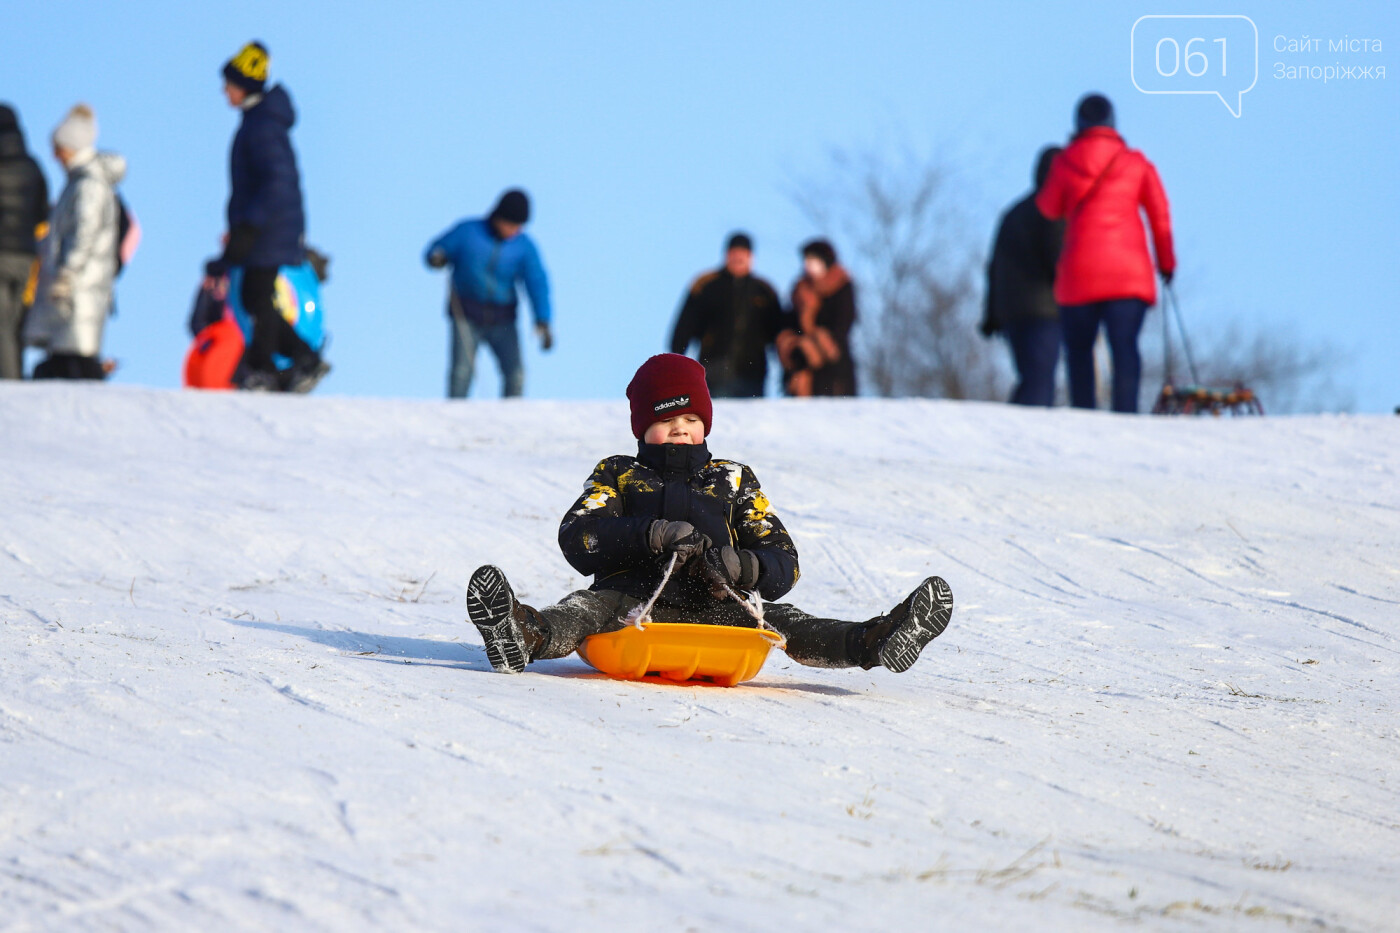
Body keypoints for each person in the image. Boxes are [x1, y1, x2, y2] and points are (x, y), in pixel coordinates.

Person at [465, 352, 953, 676]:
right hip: (629, 602)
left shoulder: (733, 479)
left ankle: (876, 640)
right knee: (581, 609)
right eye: (666, 421)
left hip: (717, 608)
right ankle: (521, 632)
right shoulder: (618, 474)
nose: (680, 430)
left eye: (691, 420)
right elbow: (579, 536)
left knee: (786, 620)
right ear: (642, 428)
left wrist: (742, 567)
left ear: (706, 424)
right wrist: (650, 534)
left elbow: (785, 558)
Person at [1036, 93, 1175, 413]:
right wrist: (1166, 264)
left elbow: (1048, 208)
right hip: (1128, 273)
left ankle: (1085, 415)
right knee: (1125, 348)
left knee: (1079, 350)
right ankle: (1125, 414)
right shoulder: (1135, 163)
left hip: (1080, 272)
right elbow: (1160, 215)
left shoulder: (1065, 162)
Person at [205, 41, 329, 394]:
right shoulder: (259, 123)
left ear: (245, 85)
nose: (224, 92)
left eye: (228, 84)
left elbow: (276, 182)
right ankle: (296, 359)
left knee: (255, 295)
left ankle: (265, 367)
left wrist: (249, 226)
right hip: (270, 226)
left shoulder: (261, 128)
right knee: (254, 296)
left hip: (271, 228)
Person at [23, 104, 123, 380]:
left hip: (80, 285)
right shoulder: (79, 182)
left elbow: (83, 233)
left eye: (59, 148)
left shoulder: (88, 184)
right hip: (79, 283)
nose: (56, 156)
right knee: (64, 356)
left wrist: (67, 272)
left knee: (75, 358)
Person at [424, 189, 552, 399]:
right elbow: (437, 248)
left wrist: (543, 320)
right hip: (465, 315)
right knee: (461, 373)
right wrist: (436, 257)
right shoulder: (468, 232)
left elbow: (537, 282)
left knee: (516, 374)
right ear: (497, 216)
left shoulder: (524, 247)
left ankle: (511, 421)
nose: (513, 230)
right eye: (509, 224)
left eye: (518, 226)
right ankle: (455, 421)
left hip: (503, 320)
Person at [981, 146, 1065, 407]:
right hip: (1043, 310)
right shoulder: (1053, 211)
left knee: (1031, 376)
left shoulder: (1014, 212)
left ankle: (1018, 431)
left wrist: (991, 314)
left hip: (1011, 311)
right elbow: (1056, 258)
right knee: (1039, 380)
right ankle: (1024, 437)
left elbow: (994, 268)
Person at [669, 232, 783, 397]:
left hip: (753, 371)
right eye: (734, 253)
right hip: (714, 367)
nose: (738, 258)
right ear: (726, 254)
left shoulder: (764, 291)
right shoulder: (706, 285)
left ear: (751, 257)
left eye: (743, 253)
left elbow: (778, 332)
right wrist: (676, 361)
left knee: (751, 419)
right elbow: (685, 324)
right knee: (719, 416)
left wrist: (790, 366)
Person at [0, 104, 49, 380]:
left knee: (1, 325)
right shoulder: (32, 167)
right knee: (17, 322)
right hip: (26, 258)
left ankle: (9, 384)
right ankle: (15, 376)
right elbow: (43, 214)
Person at [776, 239, 857, 397]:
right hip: (801, 370)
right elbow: (788, 322)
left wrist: (811, 348)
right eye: (806, 260)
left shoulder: (842, 288)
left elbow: (841, 326)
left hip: (834, 369)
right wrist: (793, 347)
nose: (808, 265)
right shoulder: (799, 289)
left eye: (813, 260)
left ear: (825, 262)